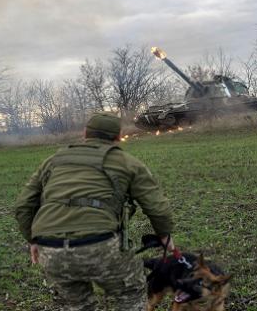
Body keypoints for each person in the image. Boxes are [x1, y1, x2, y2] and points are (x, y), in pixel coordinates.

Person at [14, 112, 175, 311]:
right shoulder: (127, 162)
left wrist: (33, 240)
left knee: (78, 305)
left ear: (85, 134)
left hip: (51, 250)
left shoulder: (53, 160)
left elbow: (23, 205)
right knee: (130, 294)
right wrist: (166, 237)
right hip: (100, 245)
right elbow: (157, 207)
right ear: (118, 137)